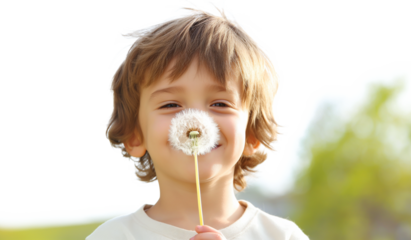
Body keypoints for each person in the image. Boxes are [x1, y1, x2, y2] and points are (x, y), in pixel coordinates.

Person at [88, 1, 309, 239]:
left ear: (251, 134)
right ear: (135, 135)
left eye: (220, 104)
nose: (196, 121)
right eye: (171, 105)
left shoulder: (282, 236)